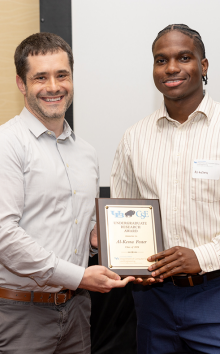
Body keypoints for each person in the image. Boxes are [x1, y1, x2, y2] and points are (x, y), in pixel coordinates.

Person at [0, 32, 134, 354]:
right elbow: (4, 236)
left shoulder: (87, 153)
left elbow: (74, 228)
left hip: (77, 313)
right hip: (22, 314)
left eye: (62, 75)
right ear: (21, 83)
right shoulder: (7, 144)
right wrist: (79, 276)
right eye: (40, 77)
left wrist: (93, 241)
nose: (53, 87)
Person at [111, 24, 220, 353]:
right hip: (152, 302)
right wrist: (131, 262)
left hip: (214, 294)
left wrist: (200, 256)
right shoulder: (134, 137)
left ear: (203, 66)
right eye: (161, 60)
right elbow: (121, 212)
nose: (171, 68)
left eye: (184, 57)